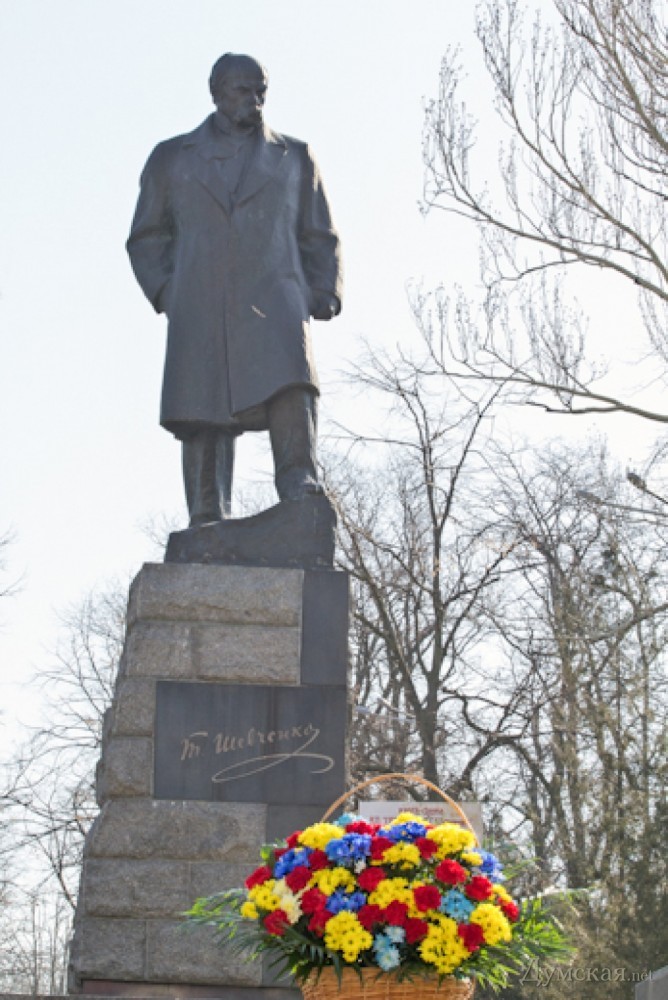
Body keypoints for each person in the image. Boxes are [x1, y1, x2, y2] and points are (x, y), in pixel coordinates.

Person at [127, 53, 342, 526]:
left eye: (261, 90)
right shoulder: (171, 158)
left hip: (277, 296)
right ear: (217, 93)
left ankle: (299, 485)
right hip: (200, 299)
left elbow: (319, 233)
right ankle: (207, 514)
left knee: (292, 386)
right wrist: (169, 291)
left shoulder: (295, 157)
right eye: (244, 90)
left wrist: (323, 288)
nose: (255, 100)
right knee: (204, 405)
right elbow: (147, 236)